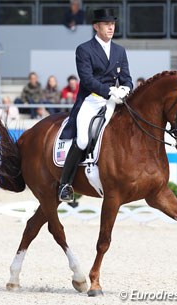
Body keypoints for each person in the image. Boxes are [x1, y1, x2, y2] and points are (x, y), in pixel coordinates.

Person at [58, 8, 133, 202]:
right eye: (107, 24)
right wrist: (110, 91)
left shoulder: (120, 50)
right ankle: (64, 184)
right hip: (91, 100)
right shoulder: (84, 49)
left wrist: (125, 89)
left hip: (115, 100)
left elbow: (126, 78)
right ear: (96, 27)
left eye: (113, 24)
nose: (111, 27)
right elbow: (87, 79)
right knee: (82, 140)